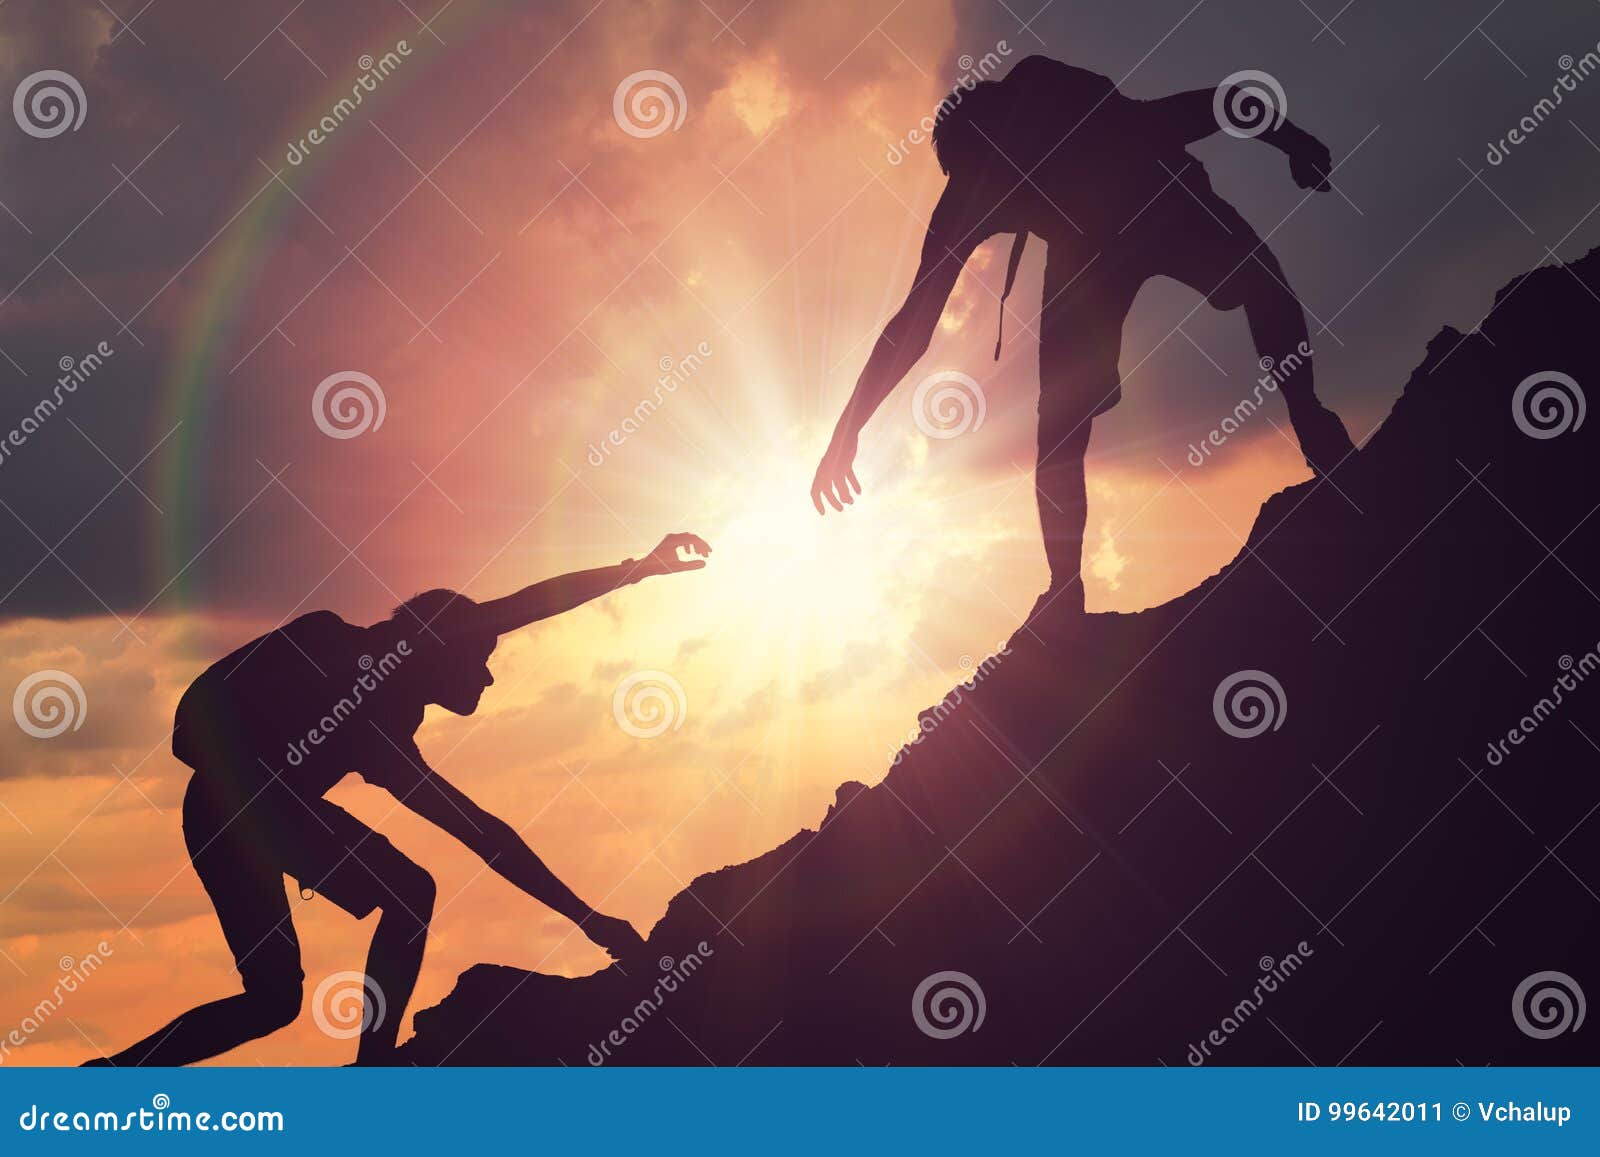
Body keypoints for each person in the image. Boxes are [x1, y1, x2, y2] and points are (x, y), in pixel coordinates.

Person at [94, 532, 712, 1066]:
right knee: (408, 895)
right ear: (443, 648)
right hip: (236, 806)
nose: (489, 675)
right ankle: (373, 1069)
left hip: (213, 813)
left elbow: (482, 833)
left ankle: (109, 1078)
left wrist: (589, 920)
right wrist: (643, 566)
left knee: (273, 1002)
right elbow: (528, 606)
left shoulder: (384, 726)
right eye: (481, 656)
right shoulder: (373, 682)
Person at [810, 55, 1355, 623]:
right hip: (1087, 259)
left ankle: (1310, 418)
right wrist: (848, 429)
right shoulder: (972, 192)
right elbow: (912, 327)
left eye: (998, 183)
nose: (995, 201)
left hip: (1158, 197)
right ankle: (1063, 586)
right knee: (1061, 418)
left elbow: (1215, 103)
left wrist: (1293, 141)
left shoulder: (1091, 122)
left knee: (1258, 279)